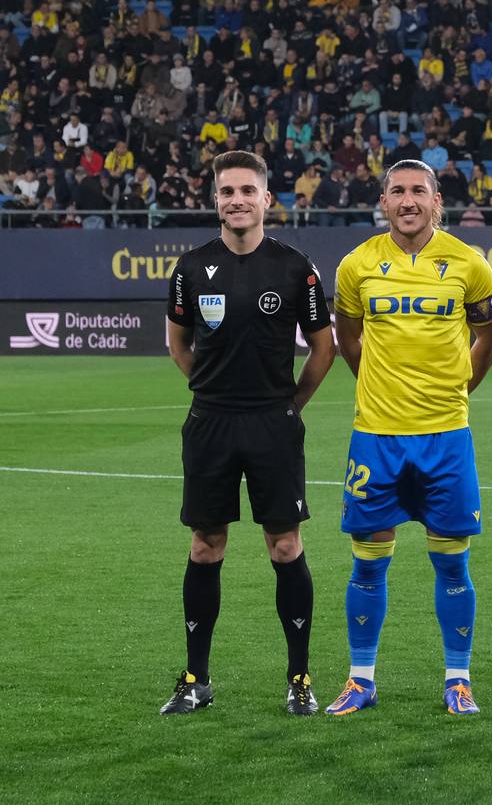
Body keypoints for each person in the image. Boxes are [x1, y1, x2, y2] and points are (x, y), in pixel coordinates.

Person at [325, 159, 492, 717]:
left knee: (452, 562)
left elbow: (490, 335)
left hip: (446, 436)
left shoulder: (468, 264)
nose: (408, 201)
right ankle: (361, 679)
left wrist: (460, 385)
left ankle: (458, 679)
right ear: (383, 202)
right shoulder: (357, 266)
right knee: (368, 562)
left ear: (436, 200)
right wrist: (375, 384)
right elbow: (347, 336)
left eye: (418, 192)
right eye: (397, 192)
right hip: (376, 436)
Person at [161, 150, 336, 716]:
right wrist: (212, 392)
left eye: (246, 191)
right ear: (215, 200)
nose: (236, 200)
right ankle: (195, 678)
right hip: (210, 422)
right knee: (205, 545)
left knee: (285, 545)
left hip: (272, 424)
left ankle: (300, 678)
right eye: (226, 191)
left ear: (267, 200)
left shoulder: (295, 268)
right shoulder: (190, 267)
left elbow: (324, 347)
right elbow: (178, 345)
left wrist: (290, 404)